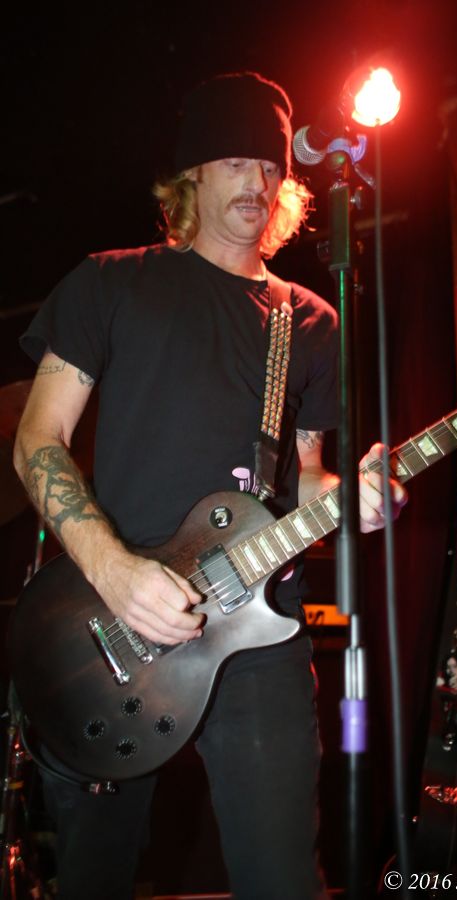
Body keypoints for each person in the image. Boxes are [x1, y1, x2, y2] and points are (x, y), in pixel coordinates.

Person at [13, 71, 406, 900]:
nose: (257, 182)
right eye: (234, 161)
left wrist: (355, 495)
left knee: (283, 880)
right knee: (94, 881)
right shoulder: (111, 282)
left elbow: (305, 475)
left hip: (257, 632)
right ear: (190, 175)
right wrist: (116, 572)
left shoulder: (309, 320)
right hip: (109, 625)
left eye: (270, 167)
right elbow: (37, 440)